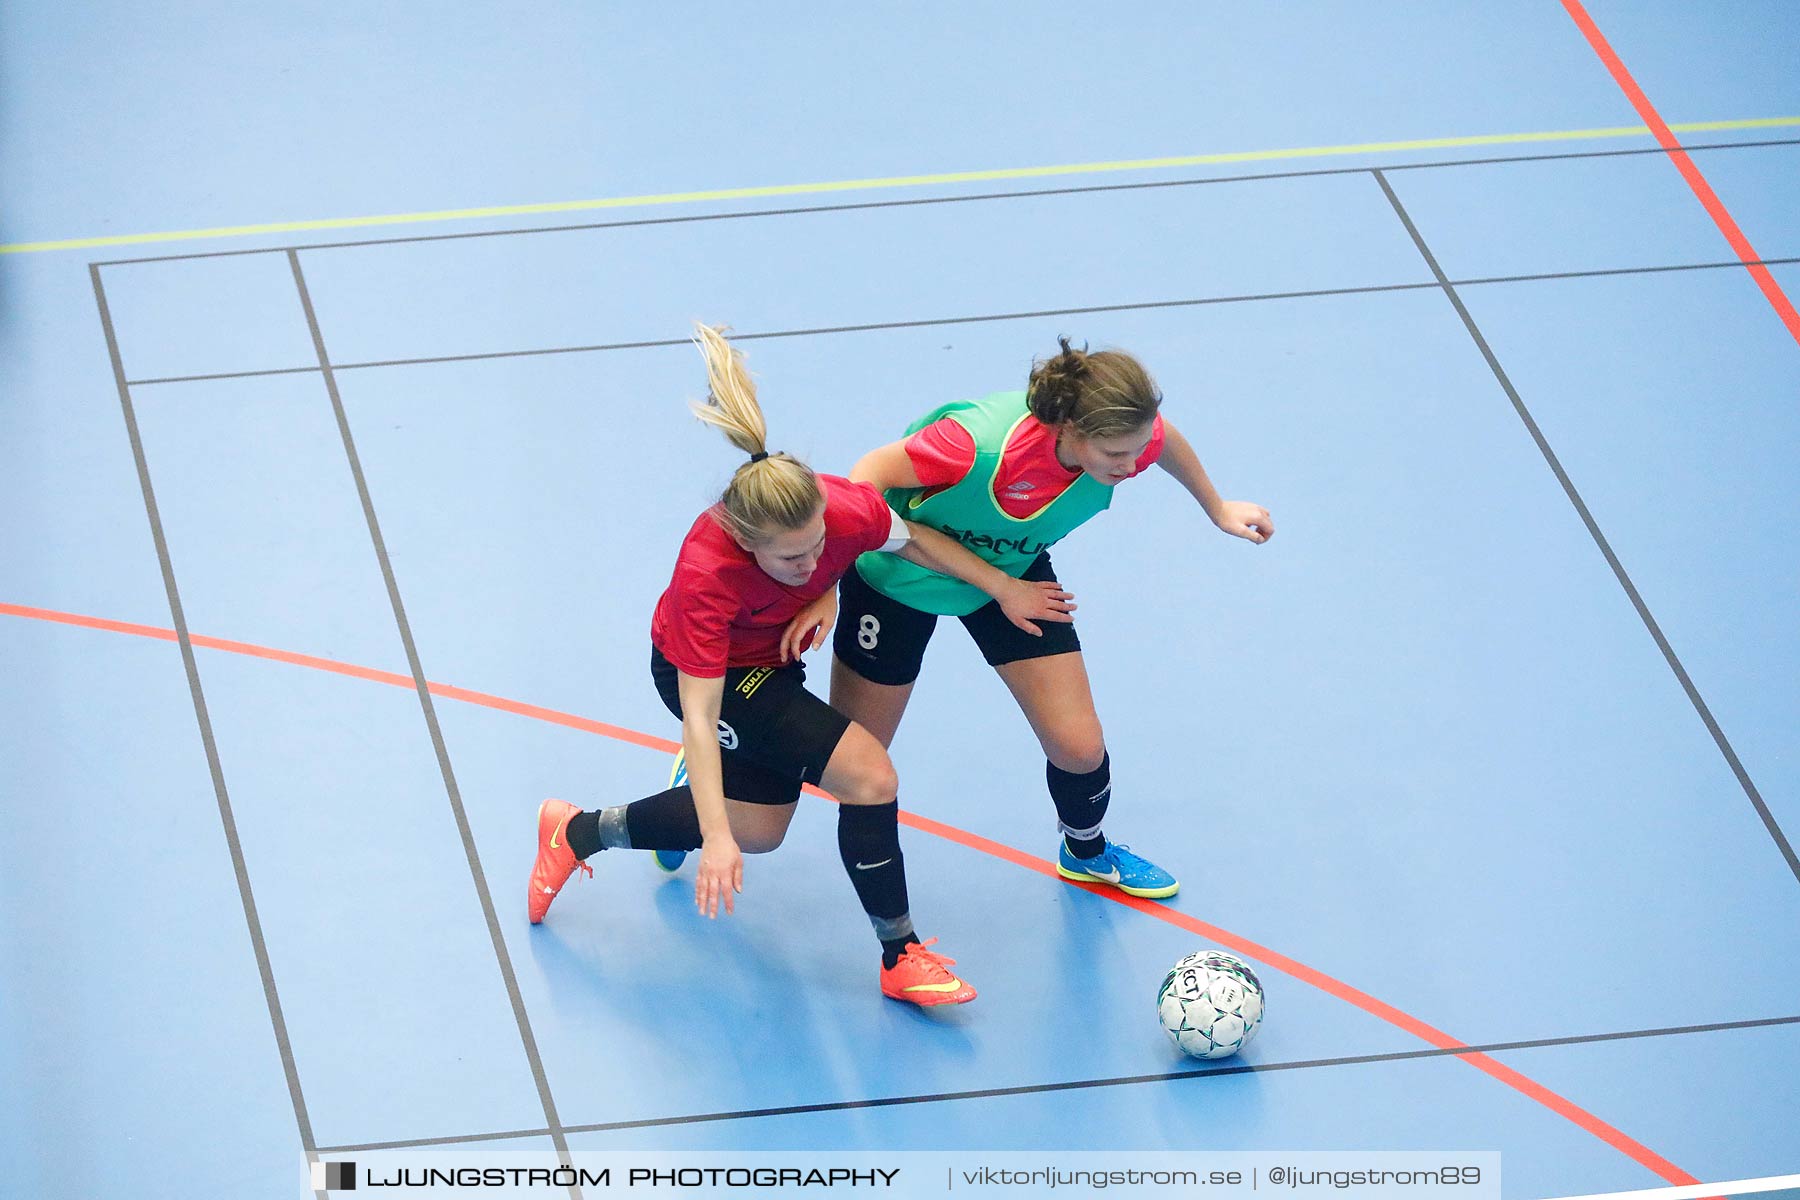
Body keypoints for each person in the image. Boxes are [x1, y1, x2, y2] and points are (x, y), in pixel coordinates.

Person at [527, 324, 1074, 1006]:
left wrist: (999, 587)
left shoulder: (835, 511)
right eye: (792, 560)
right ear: (744, 541)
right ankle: (900, 955)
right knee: (867, 777)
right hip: (715, 678)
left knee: (763, 831)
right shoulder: (707, 576)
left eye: (820, 544)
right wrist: (715, 839)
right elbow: (699, 718)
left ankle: (577, 829)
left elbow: (914, 542)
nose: (811, 560)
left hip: (775, 662)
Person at [829, 338, 1273, 899]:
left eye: (1137, 450)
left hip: (1013, 569)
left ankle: (1084, 850)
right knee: (850, 759)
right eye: (1117, 455)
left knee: (1079, 748)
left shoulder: (1127, 435)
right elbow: (864, 476)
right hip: (898, 577)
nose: (1132, 465)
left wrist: (1217, 507)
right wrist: (829, 578)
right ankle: (723, 767)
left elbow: (1163, 442)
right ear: (1069, 429)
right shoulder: (976, 446)